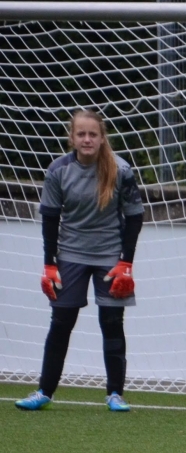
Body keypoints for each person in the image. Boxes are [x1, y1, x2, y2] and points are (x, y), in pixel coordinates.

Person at [16, 109, 143, 413]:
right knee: (61, 322)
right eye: (81, 134)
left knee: (112, 322)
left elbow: (135, 216)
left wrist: (126, 263)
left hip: (110, 255)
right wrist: (49, 264)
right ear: (72, 137)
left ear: (102, 138)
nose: (87, 139)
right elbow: (50, 218)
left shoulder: (121, 170)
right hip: (70, 254)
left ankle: (115, 394)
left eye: (93, 134)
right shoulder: (58, 170)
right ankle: (44, 391)